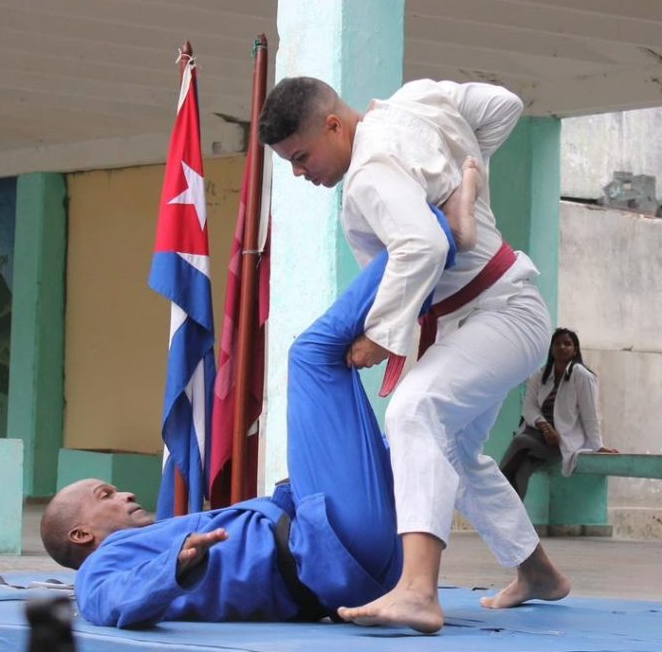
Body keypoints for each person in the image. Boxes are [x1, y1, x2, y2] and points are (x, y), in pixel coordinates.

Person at [41, 200, 474, 629]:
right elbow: (105, 602)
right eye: (107, 496)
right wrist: (173, 566)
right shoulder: (105, 564)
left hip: (360, 564)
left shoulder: (156, 537)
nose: (126, 496)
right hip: (334, 553)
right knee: (311, 355)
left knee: (415, 429)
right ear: (82, 536)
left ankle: (446, 272)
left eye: (113, 490)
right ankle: (431, 233)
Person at [258, 76, 570, 633]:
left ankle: (418, 590)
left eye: (301, 157)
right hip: (487, 318)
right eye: (289, 164)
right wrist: (462, 174)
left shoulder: (369, 176)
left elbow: (420, 246)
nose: (300, 173)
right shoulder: (418, 101)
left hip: (499, 314)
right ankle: (538, 572)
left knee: (413, 411)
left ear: (333, 124)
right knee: (451, 451)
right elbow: (504, 104)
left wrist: (382, 334)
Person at [501, 328, 618, 498]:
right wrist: (545, 427)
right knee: (522, 470)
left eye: (567, 344)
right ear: (551, 349)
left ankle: (492, 486)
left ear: (575, 350)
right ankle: (512, 520)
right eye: (557, 344)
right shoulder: (540, 375)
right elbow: (529, 408)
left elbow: (590, 414)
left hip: (562, 441)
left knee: (520, 440)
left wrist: (598, 446)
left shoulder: (583, 376)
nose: (562, 347)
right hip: (539, 436)